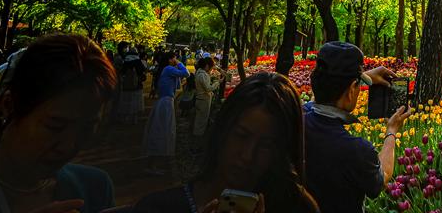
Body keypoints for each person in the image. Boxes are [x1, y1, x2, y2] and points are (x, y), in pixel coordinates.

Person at [0, 34, 117, 213]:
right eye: (55, 126)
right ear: (9, 105)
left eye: (87, 128)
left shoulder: (96, 190)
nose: (69, 146)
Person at [132, 72, 319, 213]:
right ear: (222, 130)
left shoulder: (300, 208)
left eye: (266, 145)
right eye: (241, 135)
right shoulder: (157, 208)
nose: (247, 156)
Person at [303, 42, 409, 213]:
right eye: (358, 85)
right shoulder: (356, 150)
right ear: (352, 89)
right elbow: (381, 178)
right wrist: (391, 131)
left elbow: (316, 101)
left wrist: (358, 78)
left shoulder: (295, 120)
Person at [142, 53, 189, 175]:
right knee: (163, 131)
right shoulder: (168, 69)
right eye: (174, 57)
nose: (176, 59)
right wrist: (180, 63)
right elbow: (186, 73)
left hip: (164, 102)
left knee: (161, 131)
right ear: (169, 59)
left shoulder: (167, 70)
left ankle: (155, 163)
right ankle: (154, 165)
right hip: (166, 103)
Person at [193, 56, 221, 142]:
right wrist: (217, 82)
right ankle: (196, 142)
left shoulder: (199, 72)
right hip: (203, 101)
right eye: (211, 67)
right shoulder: (202, 75)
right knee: (201, 122)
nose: (211, 69)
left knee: (199, 120)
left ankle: (196, 140)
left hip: (201, 99)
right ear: (207, 66)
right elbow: (208, 88)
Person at [116, 48, 147, 125]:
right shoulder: (138, 62)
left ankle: (125, 119)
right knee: (135, 103)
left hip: (126, 86)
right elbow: (142, 73)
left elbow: (122, 72)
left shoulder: (126, 61)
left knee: (125, 102)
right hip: (137, 86)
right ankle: (134, 119)